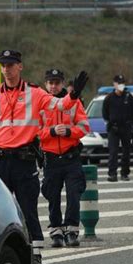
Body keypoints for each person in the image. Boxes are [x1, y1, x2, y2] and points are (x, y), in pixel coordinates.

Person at [0, 50, 89, 264]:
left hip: (24, 161)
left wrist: (72, 97)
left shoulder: (35, 93)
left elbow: (59, 105)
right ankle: (0, 253)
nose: (6, 69)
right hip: (0, 161)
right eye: (3, 65)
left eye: (11, 64)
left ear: (20, 67)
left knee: (29, 209)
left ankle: (34, 252)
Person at [39, 69, 90, 248]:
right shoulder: (40, 103)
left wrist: (69, 132)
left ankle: (71, 231)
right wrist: (51, 132)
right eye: (50, 83)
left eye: (57, 82)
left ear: (62, 83)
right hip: (51, 159)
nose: (53, 86)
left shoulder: (74, 102)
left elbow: (84, 127)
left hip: (71, 157)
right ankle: (56, 232)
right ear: (45, 84)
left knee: (74, 195)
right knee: (52, 197)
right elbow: (34, 133)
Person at [102, 74, 133, 182]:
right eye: (118, 83)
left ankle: (124, 173)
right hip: (114, 128)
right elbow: (105, 113)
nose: (121, 85)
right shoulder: (109, 98)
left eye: (122, 83)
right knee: (113, 152)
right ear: (114, 84)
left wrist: (131, 126)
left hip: (126, 128)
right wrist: (111, 123)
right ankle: (112, 174)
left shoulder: (128, 97)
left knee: (126, 152)